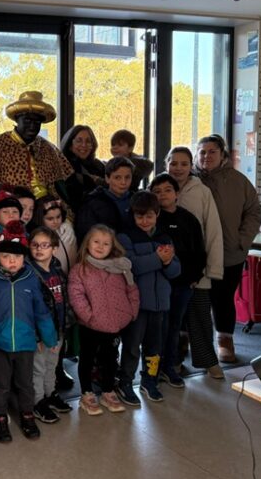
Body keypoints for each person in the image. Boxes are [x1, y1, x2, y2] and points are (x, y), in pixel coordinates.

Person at [0, 220, 58, 442]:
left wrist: (49, 338)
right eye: (5, 256)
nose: (12, 260)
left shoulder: (31, 279)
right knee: (0, 385)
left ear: (24, 258)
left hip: (25, 344)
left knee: (25, 384)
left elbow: (41, 311)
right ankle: (0, 418)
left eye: (16, 256)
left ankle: (27, 415)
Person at [195, 134, 261, 363]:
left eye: (212, 152)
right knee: (193, 299)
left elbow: (254, 211)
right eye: (202, 152)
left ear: (222, 154)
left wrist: (242, 240)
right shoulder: (189, 179)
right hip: (196, 253)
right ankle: (185, 340)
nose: (206, 156)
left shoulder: (238, 181)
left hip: (230, 252)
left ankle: (224, 340)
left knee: (223, 298)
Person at [0, 91, 73, 239]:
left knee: (66, 230)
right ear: (17, 119)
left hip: (44, 212)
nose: (32, 126)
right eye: (28, 120)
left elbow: (60, 187)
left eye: (37, 122)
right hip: (11, 211)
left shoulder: (49, 149)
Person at [165, 146, 224, 379]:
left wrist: (212, 268)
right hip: (166, 271)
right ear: (166, 164)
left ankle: (209, 361)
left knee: (200, 317)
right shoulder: (158, 188)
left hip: (196, 269)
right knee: (171, 322)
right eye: (173, 163)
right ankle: (173, 362)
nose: (178, 168)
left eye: (184, 164)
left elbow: (213, 231)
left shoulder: (202, 192)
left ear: (191, 166)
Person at [68, 224, 139, 416]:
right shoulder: (80, 269)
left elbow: (131, 289)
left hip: (115, 324)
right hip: (90, 325)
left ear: (112, 246)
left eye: (106, 243)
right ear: (87, 244)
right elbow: (76, 296)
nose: (100, 246)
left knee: (110, 359)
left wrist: (131, 312)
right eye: (96, 242)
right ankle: (87, 393)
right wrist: (89, 316)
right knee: (87, 359)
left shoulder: (120, 267)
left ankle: (108, 390)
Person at [117, 191, 181, 405]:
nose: (145, 221)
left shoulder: (165, 237)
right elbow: (131, 266)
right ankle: (125, 381)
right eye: (140, 216)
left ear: (157, 214)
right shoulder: (125, 237)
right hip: (137, 304)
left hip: (160, 304)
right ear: (133, 216)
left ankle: (149, 380)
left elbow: (175, 271)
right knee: (132, 346)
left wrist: (167, 262)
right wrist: (158, 258)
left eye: (149, 216)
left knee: (155, 347)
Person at [149, 174, 206, 388]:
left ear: (177, 193)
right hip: (159, 285)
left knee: (174, 327)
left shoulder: (188, 219)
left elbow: (199, 251)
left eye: (167, 190)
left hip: (184, 284)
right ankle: (152, 372)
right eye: (157, 191)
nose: (163, 195)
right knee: (157, 328)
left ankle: (170, 367)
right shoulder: (151, 220)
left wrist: (194, 278)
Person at [28, 227, 74, 424]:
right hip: (40, 333)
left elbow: (64, 301)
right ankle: (38, 401)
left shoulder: (57, 269)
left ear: (54, 249)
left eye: (45, 245)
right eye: (35, 245)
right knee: (38, 368)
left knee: (51, 365)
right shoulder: (30, 273)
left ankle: (50, 394)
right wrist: (36, 336)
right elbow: (29, 309)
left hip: (58, 329)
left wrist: (65, 326)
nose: (39, 249)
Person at [74, 156, 134, 242]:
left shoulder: (137, 200)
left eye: (127, 177)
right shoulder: (92, 203)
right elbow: (85, 235)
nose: (123, 182)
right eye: (117, 177)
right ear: (107, 178)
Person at [60, 125, 107, 215]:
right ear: (70, 144)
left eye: (88, 141)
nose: (84, 145)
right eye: (79, 141)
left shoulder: (99, 166)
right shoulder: (63, 166)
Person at [31, 195, 77, 275]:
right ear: (40, 218)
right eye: (50, 219)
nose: (55, 221)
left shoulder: (66, 230)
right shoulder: (36, 237)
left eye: (58, 217)